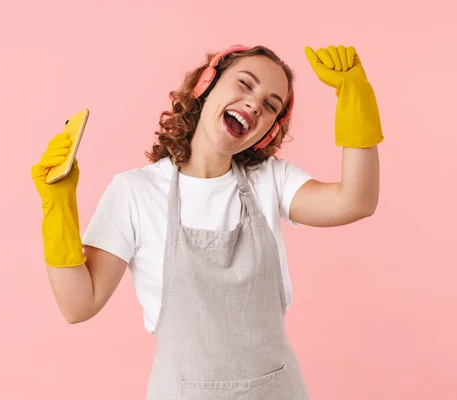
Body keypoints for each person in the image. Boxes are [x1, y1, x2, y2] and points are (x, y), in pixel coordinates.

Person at [31, 44, 383, 399]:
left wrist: (355, 98)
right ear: (205, 84)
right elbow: (78, 305)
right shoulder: (135, 192)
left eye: (271, 105)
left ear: (267, 131)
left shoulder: (270, 180)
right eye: (245, 84)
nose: (255, 104)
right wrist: (57, 203)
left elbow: (355, 201)